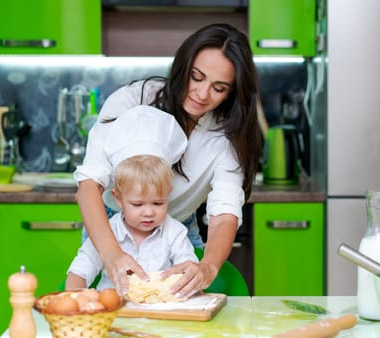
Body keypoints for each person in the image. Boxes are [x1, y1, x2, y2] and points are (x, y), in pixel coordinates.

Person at [74, 23, 262, 298]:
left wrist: (207, 267)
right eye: (196, 77)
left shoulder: (226, 136)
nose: (202, 93)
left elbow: (224, 212)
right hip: (111, 225)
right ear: (183, 67)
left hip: (179, 227)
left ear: (232, 93)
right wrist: (113, 255)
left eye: (219, 88)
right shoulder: (134, 101)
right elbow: (89, 184)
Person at [66, 105, 198, 290]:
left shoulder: (175, 233)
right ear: (118, 199)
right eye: (137, 204)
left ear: (168, 193)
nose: (149, 212)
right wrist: (75, 299)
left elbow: (189, 271)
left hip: (160, 316)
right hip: (112, 316)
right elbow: (79, 272)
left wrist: (188, 276)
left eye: (158, 203)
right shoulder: (107, 234)